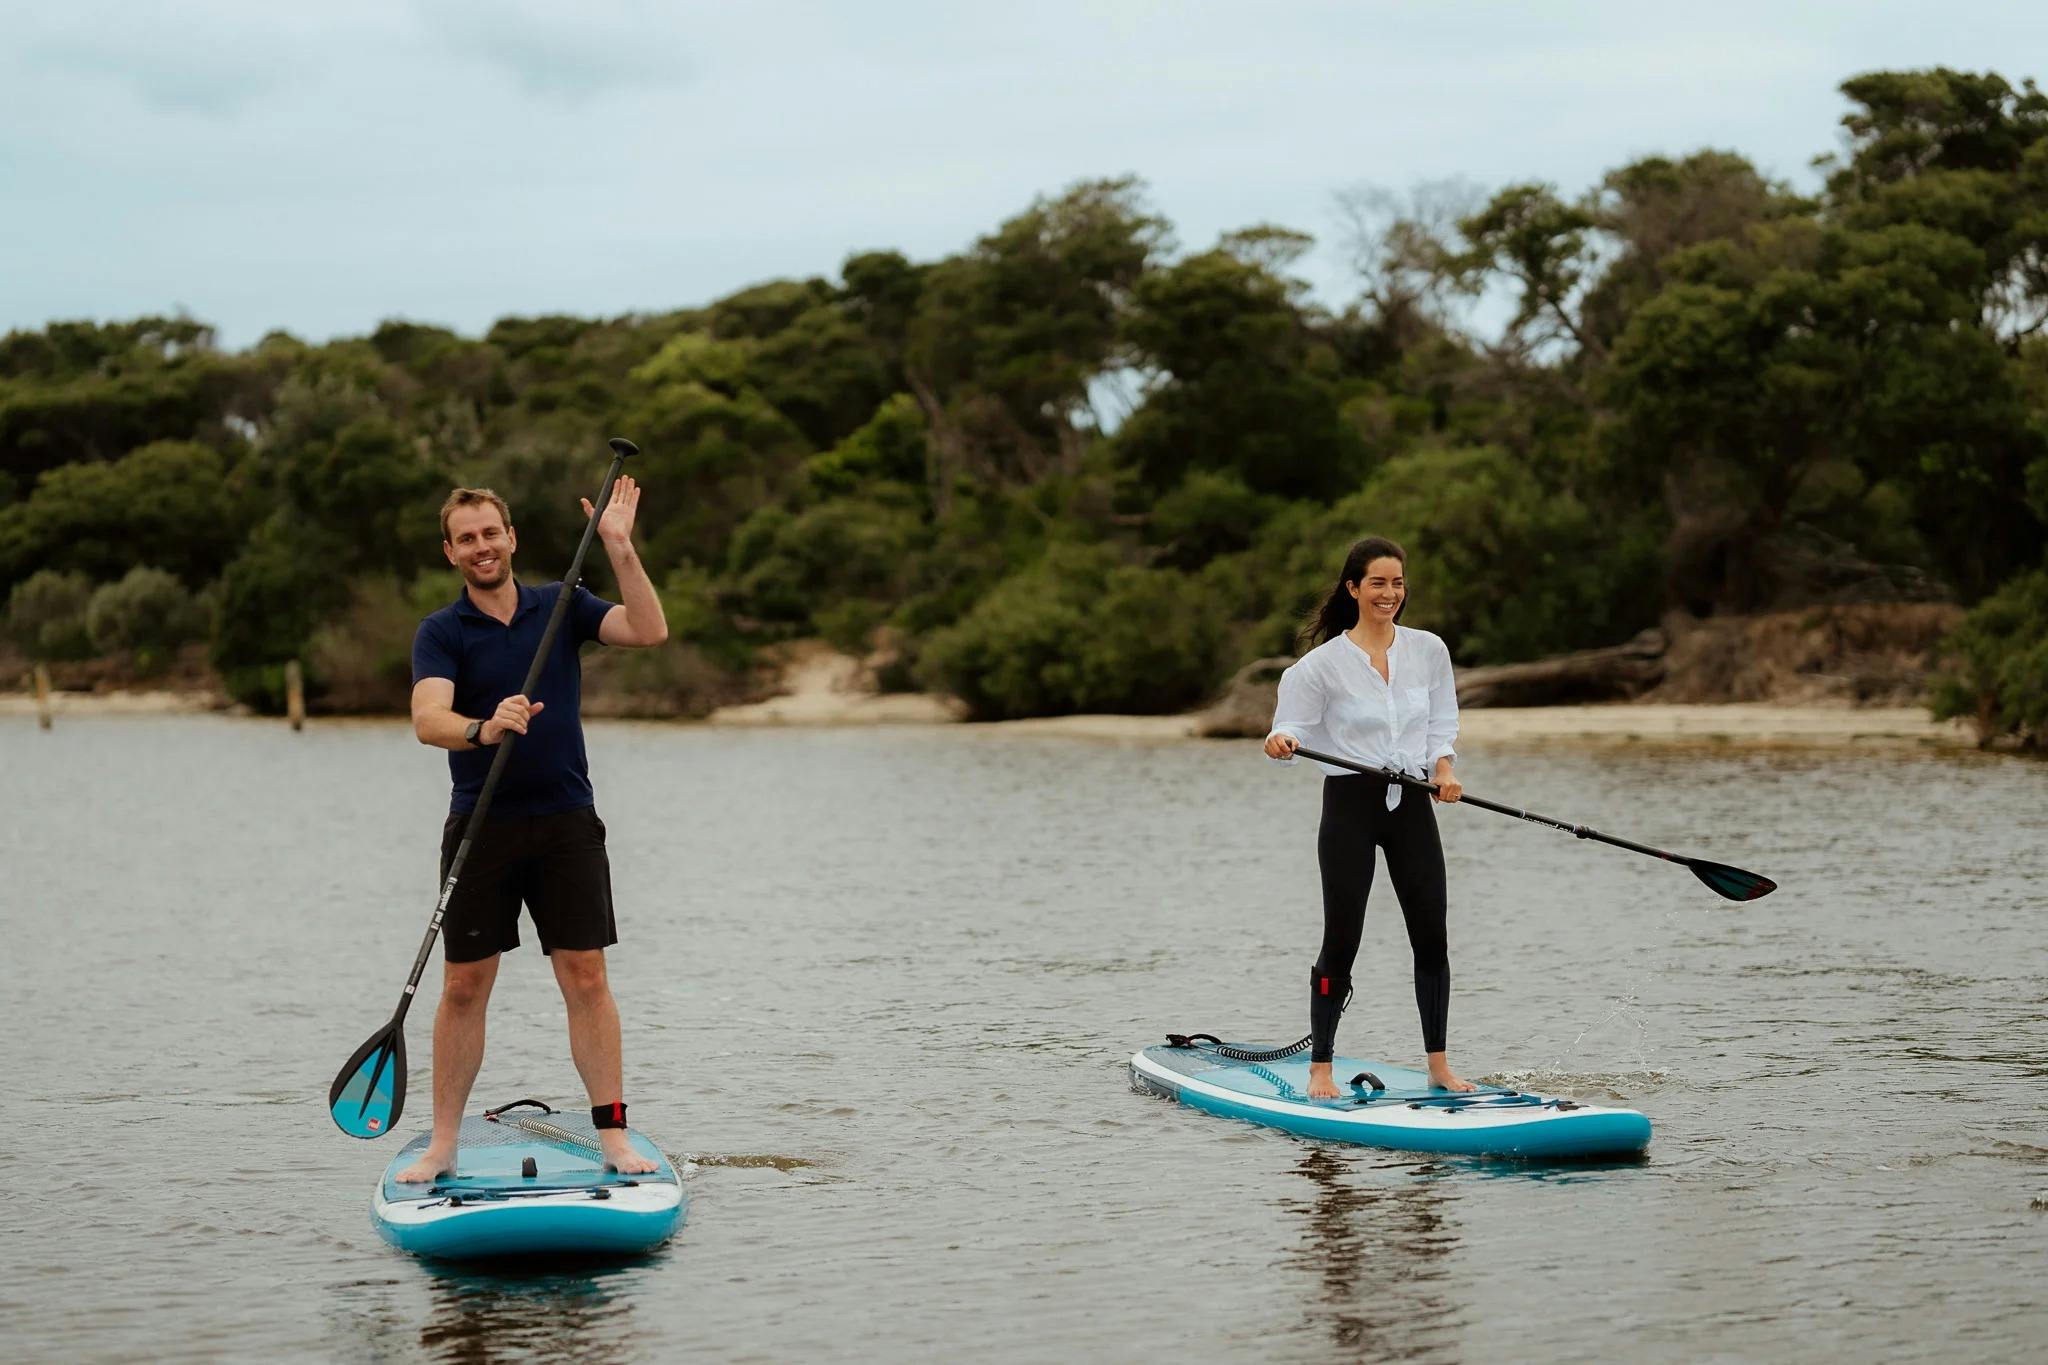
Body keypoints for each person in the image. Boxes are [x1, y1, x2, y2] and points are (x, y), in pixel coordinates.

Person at [395, 478, 668, 1180]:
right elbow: (429, 720)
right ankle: (443, 1144)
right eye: (467, 538)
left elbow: (648, 630)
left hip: (566, 824)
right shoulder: (443, 631)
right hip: (482, 827)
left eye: (492, 533)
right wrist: (484, 727)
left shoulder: (562, 604)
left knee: (585, 976)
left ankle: (613, 1137)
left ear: (511, 537)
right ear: (451, 551)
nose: (482, 546)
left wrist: (618, 546)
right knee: (463, 986)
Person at [1261, 536, 1476, 1100]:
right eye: (1378, 583)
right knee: (1343, 939)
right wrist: (1281, 741)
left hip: (1411, 802)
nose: (1390, 593)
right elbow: (1291, 728)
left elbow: (1440, 723)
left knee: (1432, 935)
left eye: (1398, 583)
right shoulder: (1319, 668)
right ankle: (1321, 1069)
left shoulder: (1429, 651)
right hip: (1350, 806)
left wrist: (1444, 768)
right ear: (1353, 589)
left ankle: (1438, 1066)